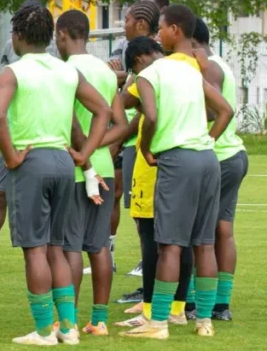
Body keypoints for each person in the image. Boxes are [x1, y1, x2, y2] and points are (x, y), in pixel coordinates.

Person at [0, 2, 111, 346]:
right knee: (57, 247)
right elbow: (102, 110)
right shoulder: (67, 70)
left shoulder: (11, 73)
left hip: (31, 163)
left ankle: (44, 331)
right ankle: (68, 329)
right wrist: (85, 154)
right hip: (62, 162)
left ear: (18, 36)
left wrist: (11, 157)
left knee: (35, 250)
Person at [122, 5, 233, 339]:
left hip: (178, 161)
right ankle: (204, 322)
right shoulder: (193, 71)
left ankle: (157, 323)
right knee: (204, 244)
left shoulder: (152, 73)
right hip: (206, 161)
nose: (157, 35)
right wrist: (207, 141)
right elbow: (226, 110)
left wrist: (144, 148)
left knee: (170, 245)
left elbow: (150, 117)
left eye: (161, 29)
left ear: (174, 31)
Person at [106, 38, 194, 331]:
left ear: (140, 59)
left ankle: (149, 311)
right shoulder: (186, 69)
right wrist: (119, 141)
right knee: (181, 239)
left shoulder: (148, 76)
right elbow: (143, 116)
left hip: (152, 165)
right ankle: (178, 309)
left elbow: (123, 106)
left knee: (150, 239)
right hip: (186, 161)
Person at [0, 0, 59, 274]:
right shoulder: (11, 49)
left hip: (47, 138)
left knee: (47, 206)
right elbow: (2, 90)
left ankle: (47, 257)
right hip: (14, 136)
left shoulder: (55, 51)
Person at [55, 10, 118, 336]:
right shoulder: (106, 71)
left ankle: (68, 320)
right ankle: (101, 319)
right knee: (99, 246)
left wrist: (83, 155)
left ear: (63, 33)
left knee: (70, 248)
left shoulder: (66, 71)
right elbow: (118, 123)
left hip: (78, 169)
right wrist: (96, 149)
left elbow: (72, 122)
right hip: (105, 167)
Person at [191, 19, 248, 322]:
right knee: (223, 230)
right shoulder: (220, 62)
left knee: (198, 234)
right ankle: (220, 305)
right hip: (233, 154)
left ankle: (193, 303)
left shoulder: (208, 67)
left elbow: (214, 108)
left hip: (218, 157)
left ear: (192, 40)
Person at [110, 0, 163, 287]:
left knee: (147, 220)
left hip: (143, 146)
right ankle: (179, 301)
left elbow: (140, 110)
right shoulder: (160, 61)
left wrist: (117, 139)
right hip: (142, 142)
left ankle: (150, 293)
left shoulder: (149, 65)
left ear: (141, 25)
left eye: (127, 19)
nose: (124, 25)